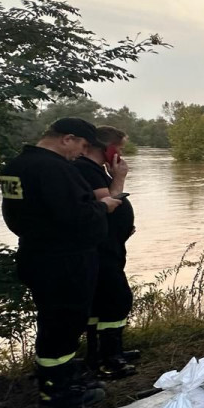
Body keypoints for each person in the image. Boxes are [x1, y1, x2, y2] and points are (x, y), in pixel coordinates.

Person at [0, 118, 121, 407]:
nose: (80, 153)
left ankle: (61, 377)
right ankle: (58, 390)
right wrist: (103, 206)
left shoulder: (17, 166)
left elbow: (15, 216)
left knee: (56, 320)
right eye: (81, 145)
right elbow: (76, 217)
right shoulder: (53, 169)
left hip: (37, 253)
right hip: (64, 259)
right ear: (67, 138)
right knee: (63, 323)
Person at [74, 126, 138, 379]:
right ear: (107, 148)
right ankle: (109, 360)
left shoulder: (91, 170)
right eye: (119, 149)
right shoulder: (86, 170)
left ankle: (102, 353)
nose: (120, 154)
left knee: (101, 301)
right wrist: (119, 177)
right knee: (115, 298)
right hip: (101, 249)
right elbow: (107, 205)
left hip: (108, 244)